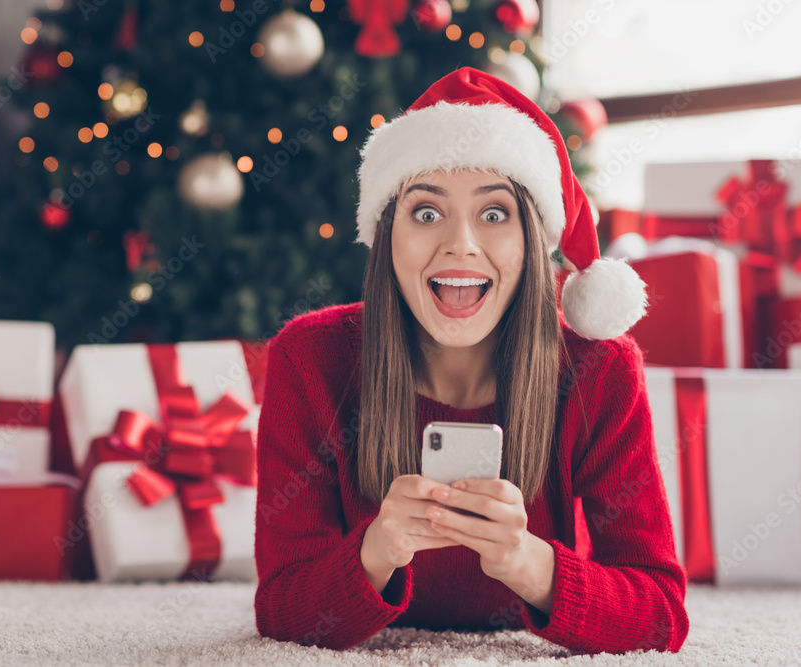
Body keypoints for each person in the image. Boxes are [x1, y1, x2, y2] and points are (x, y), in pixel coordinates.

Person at [253, 66, 688, 654]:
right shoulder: (309, 360)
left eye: (494, 214)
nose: (460, 244)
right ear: (388, 236)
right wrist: (377, 549)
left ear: (532, 239)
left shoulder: (600, 371)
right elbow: (282, 608)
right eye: (426, 213)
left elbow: (660, 614)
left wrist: (528, 562)